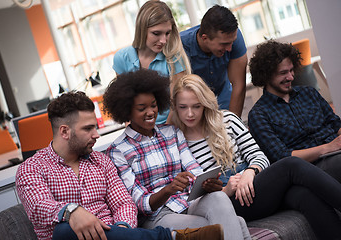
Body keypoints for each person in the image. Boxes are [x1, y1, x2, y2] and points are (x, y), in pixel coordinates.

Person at [15, 91, 224, 240]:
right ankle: (168, 238)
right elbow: (38, 207)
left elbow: (124, 204)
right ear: (64, 131)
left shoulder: (101, 161)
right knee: (64, 231)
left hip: (114, 234)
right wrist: (72, 211)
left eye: (95, 128)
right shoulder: (32, 168)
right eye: (88, 129)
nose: (96, 135)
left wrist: (122, 231)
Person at [171, 73, 341, 239]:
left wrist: (250, 172)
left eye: (196, 106)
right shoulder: (176, 141)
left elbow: (259, 156)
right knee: (291, 165)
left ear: (205, 103)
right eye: (183, 107)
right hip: (227, 203)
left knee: (304, 196)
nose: (190, 114)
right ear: (175, 107)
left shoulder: (227, 120)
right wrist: (226, 190)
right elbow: (191, 194)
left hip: (255, 185)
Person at [103, 69, 251, 240]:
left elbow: (194, 169)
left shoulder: (172, 132)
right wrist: (168, 190)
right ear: (127, 111)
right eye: (142, 108)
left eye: (153, 105)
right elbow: (140, 203)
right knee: (234, 224)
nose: (150, 112)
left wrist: (206, 182)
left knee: (218, 197)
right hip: (158, 216)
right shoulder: (118, 150)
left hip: (187, 201)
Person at [247, 40, 341, 183]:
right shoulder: (259, 115)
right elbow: (282, 157)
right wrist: (327, 148)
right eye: (283, 73)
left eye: (291, 70)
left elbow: (335, 124)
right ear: (266, 75)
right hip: (310, 167)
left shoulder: (309, 93)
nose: (290, 77)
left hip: (335, 152)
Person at [113, 0, 191, 124]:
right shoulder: (122, 58)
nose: (163, 40)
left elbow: (177, 104)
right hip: (140, 131)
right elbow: (125, 104)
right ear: (142, 29)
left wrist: (164, 135)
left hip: (171, 127)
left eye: (167, 33)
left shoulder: (174, 57)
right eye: (156, 33)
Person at [180, 5, 247, 117]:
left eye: (232, 43)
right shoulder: (180, 47)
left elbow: (238, 84)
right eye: (224, 44)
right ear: (205, 38)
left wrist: (234, 122)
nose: (230, 48)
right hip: (196, 105)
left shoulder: (232, 37)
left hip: (224, 99)